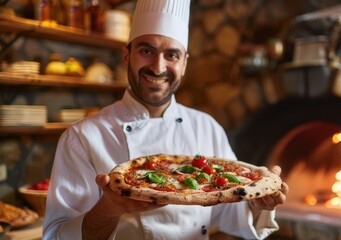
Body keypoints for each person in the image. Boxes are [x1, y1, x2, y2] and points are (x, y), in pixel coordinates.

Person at [42, 0, 288, 239]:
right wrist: (110, 208)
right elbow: (57, 235)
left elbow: (229, 206)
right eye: (146, 51)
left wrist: (259, 204)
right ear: (126, 56)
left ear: (184, 65)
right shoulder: (82, 137)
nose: (158, 67)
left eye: (171, 55)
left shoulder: (207, 127)